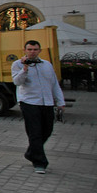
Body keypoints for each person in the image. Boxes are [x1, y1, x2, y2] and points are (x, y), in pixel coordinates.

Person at [12, 40, 64, 174]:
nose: (32, 52)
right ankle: (40, 162)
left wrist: (60, 102)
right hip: (29, 102)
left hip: (47, 102)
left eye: (35, 49)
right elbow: (17, 82)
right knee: (34, 132)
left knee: (47, 130)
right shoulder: (17, 64)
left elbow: (54, 84)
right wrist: (25, 69)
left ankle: (31, 152)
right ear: (25, 50)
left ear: (39, 51)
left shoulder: (47, 65)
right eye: (29, 49)